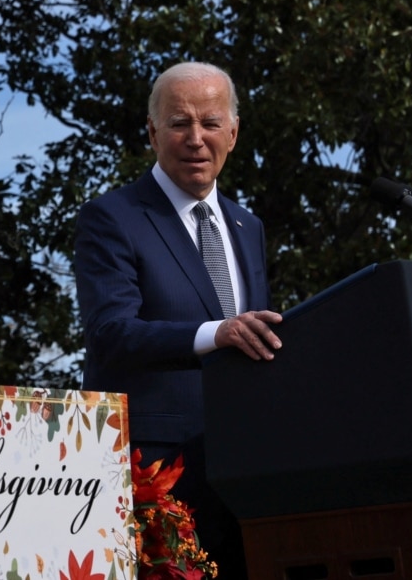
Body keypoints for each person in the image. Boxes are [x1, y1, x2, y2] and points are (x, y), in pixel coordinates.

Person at [73, 61, 283, 578]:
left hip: (245, 467)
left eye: (210, 124)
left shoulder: (247, 225)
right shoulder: (112, 218)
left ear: (232, 134)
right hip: (154, 471)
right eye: (179, 123)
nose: (196, 138)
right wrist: (219, 333)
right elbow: (111, 333)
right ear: (152, 132)